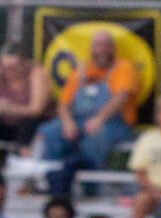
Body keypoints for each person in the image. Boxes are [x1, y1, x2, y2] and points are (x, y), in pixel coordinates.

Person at [38, 30, 140, 195]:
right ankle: (51, 183)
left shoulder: (123, 68)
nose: (102, 50)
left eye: (106, 45)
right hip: (79, 121)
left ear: (113, 49)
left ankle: (92, 188)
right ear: (92, 49)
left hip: (114, 123)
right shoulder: (81, 70)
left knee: (97, 135)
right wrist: (67, 122)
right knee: (50, 131)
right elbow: (63, 104)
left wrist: (99, 119)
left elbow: (121, 97)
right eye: (98, 46)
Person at [0, 41, 51, 153]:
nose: (9, 70)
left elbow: (37, 110)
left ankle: (24, 156)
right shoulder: (2, 72)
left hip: (33, 122)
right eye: (5, 66)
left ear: (23, 63)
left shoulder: (36, 73)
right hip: (6, 123)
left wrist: (9, 109)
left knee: (29, 122)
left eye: (13, 66)